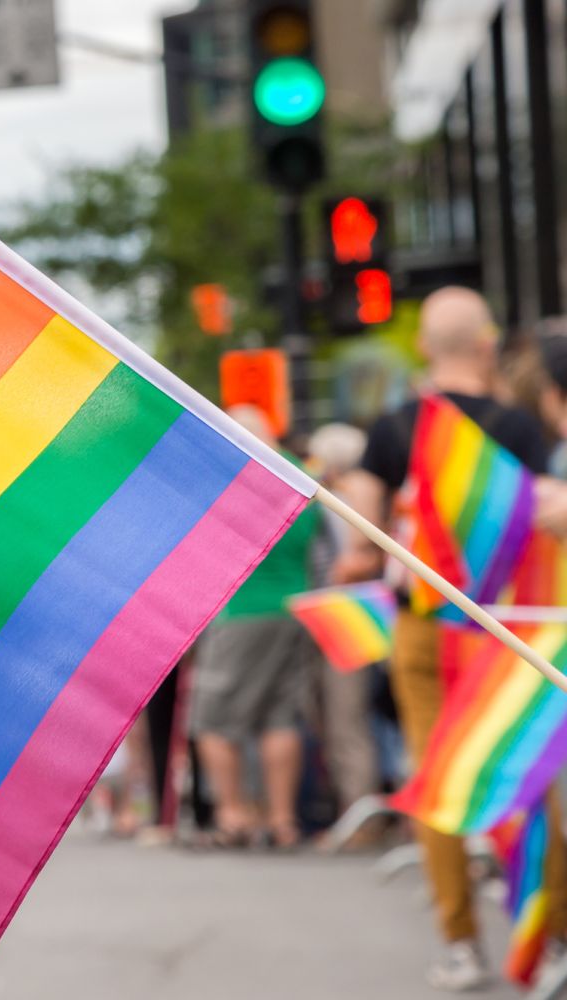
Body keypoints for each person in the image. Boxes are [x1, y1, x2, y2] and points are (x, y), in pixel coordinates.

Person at [336, 286, 567, 990]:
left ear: (425, 349)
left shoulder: (393, 429)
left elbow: (362, 543)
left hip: (425, 629)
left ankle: (462, 943)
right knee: (527, 774)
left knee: (435, 781)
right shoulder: (522, 430)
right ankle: (547, 937)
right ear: (487, 345)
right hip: (508, 630)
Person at [188, 406, 321, 850]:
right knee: (280, 716)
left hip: (241, 610)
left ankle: (234, 814)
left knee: (211, 717)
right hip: (292, 607)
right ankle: (282, 820)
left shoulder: (238, 479)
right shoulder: (300, 476)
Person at [305, 423, 384, 828]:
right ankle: (354, 815)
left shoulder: (351, 494)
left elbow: (360, 558)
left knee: (346, 718)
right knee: (343, 718)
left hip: (344, 614)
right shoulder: (355, 492)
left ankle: (360, 819)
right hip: (343, 613)